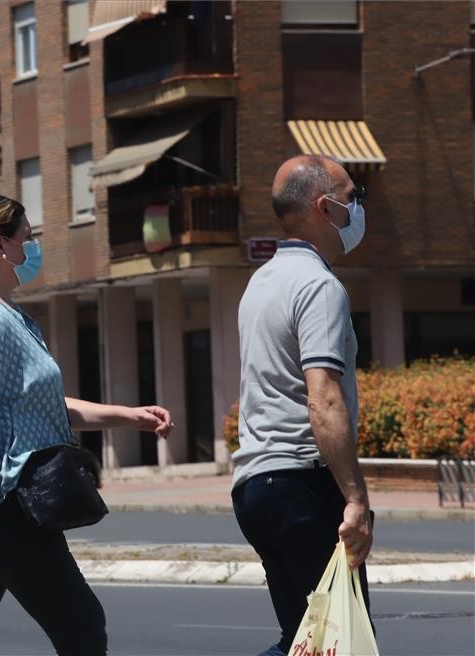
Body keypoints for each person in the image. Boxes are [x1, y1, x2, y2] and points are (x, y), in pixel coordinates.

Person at [0, 194, 173, 656]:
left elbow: (41, 405)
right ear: (0, 246)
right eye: (27, 240)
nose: (32, 250)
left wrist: (128, 417)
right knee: (82, 624)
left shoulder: (0, 316)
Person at [231, 155, 374, 656]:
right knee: (343, 642)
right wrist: (355, 497)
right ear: (324, 208)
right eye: (352, 197)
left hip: (256, 488)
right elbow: (323, 397)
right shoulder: (319, 286)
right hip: (303, 487)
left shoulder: (261, 283)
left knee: (308, 641)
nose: (359, 207)